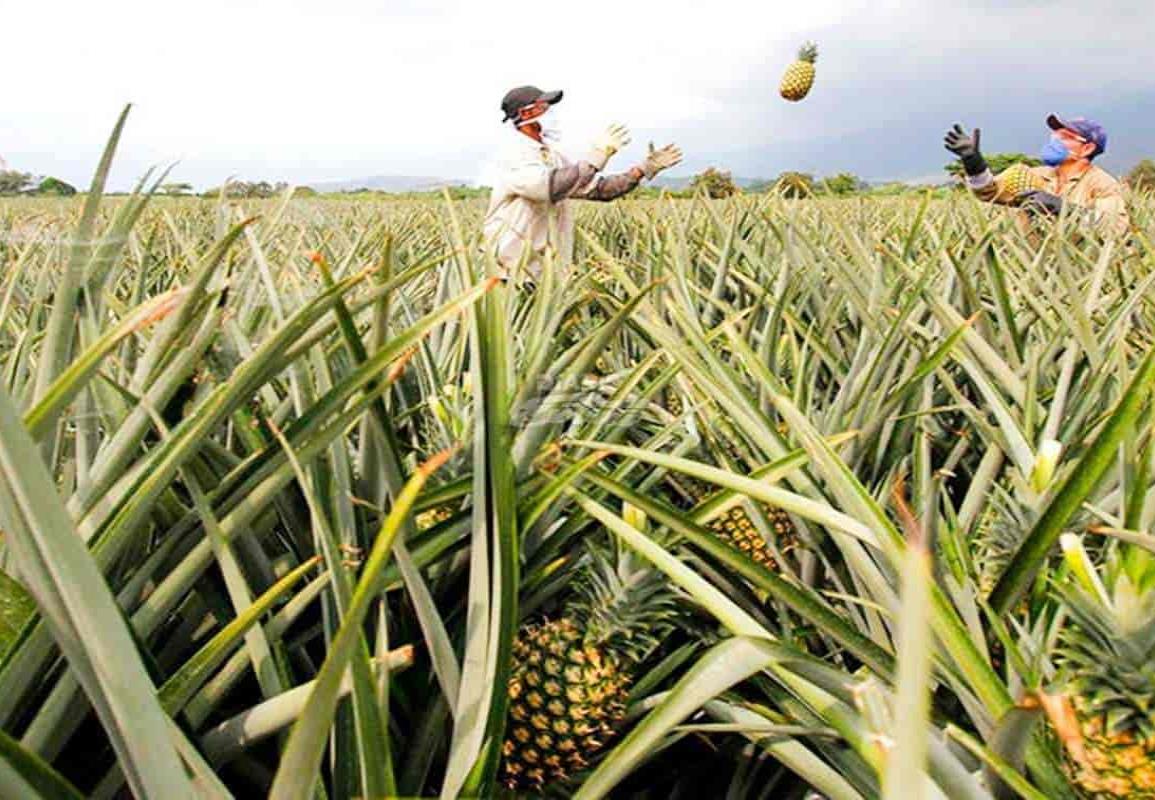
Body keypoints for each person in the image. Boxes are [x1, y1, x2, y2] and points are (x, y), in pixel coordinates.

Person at [482, 85, 683, 280]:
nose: (549, 112)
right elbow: (549, 186)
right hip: (510, 271)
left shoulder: (552, 155)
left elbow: (599, 189)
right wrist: (598, 155)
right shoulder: (515, 153)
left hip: (544, 271)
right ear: (525, 114)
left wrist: (642, 169)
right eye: (543, 107)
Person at [944, 114, 1129, 237]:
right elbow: (988, 192)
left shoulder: (1102, 184)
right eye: (1054, 135)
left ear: (1087, 148)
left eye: (1064, 137)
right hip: (1030, 271)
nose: (1055, 140)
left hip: (1075, 274)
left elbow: (1115, 227)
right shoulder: (1030, 175)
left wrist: (1064, 208)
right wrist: (973, 163)